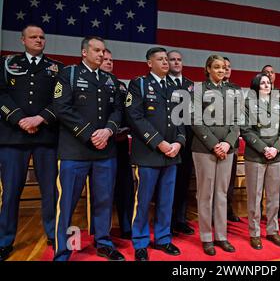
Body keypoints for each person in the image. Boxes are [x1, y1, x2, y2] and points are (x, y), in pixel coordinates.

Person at [53, 36, 124, 261]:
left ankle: (103, 242)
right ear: (84, 52)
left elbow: (118, 110)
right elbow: (61, 107)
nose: (101, 54)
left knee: (104, 199)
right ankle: (62, 251)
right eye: (96, 50)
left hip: (105, 150)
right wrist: (89, 134)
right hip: (75, 150)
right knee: (66, 203)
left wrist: (108, 131)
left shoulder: (110, 79)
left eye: (103, 51)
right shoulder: (69, 74)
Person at [0, 25, 64, 261]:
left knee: (50, 191)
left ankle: (52, 233)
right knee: (10, 193)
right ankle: (5, 240)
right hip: (13, 137)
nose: (39, 40)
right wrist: (19, 119)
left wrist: (40, 118)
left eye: (42, 37)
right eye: (33, 37)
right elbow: (1, 95)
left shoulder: (56, 68)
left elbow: (60, 100)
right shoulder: (7, 64)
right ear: (22, 40)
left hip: (45, 137)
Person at [125, 47, 186, 261]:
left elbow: (180, 120)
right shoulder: (139, 84)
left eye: (166, 59)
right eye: (160, 59)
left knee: (166, 201)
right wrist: (159, 143)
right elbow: (135, 117)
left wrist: (178, 143)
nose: (165, 62)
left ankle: (163, 239)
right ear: (149, 63)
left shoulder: (174, 87)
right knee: (143, 201)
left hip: (172, 154)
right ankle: (140, 241)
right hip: (149, 153)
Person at [191, 54, 240, 256]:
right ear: (208, 69)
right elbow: (195, 120)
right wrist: (214, 145)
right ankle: (206, 238)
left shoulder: (232, 91)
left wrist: (227, 143)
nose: (221, 70)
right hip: (204, 149)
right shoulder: (198, 90)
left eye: (223, 67)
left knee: (221, 194)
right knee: (206, 194)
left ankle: (221, 236)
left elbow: (238, 120)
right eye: (217, 67)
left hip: (227, 150)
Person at [240, 73, 280, 250]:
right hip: (256, 155)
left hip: (275, 155)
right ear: (255, 86)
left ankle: (272, 230)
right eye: (262, 83)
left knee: (274, 196)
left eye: (268, 82)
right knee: (255, 196)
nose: (267, 85)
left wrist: (275, 148)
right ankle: (254, 233)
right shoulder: (248, 104)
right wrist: (264, 148)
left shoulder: (278, 104)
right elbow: (245, 130)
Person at [97, 49, 134, 239]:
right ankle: (99, 230)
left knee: (125, 186)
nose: (109, 63)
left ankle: (126, 226)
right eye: (105, 60)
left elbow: (128, 114)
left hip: (119, 144)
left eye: (111, 60)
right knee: (101, 190)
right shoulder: (90, 83)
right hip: (97, 145)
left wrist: (125, 129)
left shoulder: (120, 86)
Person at [167, 50, 195, 235]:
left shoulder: (191, 85)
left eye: (179, 60)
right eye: (172, 60)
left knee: (183, 181)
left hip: (188, 141)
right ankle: (166, 220)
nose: (176, 63)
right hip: (169, 140)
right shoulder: (163, 84)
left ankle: (180, 219)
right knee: (168, 182)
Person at [261, 65, 280, 221]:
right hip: (262, 142)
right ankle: (258, 211)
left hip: (277, 140)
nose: (269, 75)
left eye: (272, 72)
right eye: (266, 73)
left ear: (275, 76)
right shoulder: (255, 95)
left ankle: (279, 210)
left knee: (276, 181)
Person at [223, 56, 243, 223]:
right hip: (212, 142)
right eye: (223, 66)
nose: (226, 69)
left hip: (231, 142)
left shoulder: (236, 89)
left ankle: (228, 209)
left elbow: (239, 116)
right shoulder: (206, 89)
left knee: (229, 180)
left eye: (229, 66)